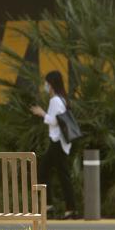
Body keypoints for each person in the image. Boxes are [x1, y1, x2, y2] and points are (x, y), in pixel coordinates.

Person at [30, 71, 78, 219]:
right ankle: (65, 208)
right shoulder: (62, 99)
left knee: (45, 171)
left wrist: (41, 113)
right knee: (59, 174)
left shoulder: (55, 101)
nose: (45, 85)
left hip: (57, 142)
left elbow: (54, 120)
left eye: (46, 83)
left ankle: (55, 208)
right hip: (59, 142)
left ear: (51, 84)